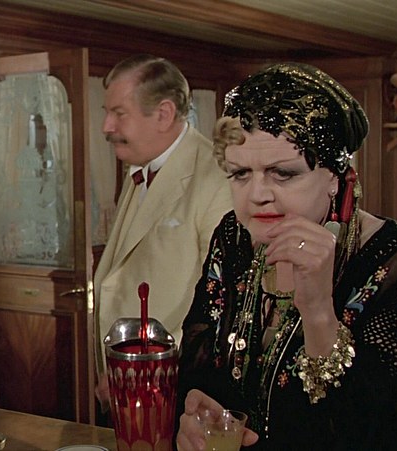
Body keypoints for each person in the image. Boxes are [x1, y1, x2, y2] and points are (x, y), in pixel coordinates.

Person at [175, 63, 397, 450]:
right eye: (240, 174)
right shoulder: (232, 235)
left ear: (335, 176)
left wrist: (318, 312)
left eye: (283, 173)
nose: (257, 195)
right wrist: (194, 412)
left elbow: (393, 436)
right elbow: (196, 364)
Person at [93, 54, 232, 406]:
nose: (106, 126)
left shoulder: (216, 178)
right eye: (107, 112)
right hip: (128, 380)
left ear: (164, 114)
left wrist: (145, 375)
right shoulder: (142, 169)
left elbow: (220, 300)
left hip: (175, 389)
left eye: (119, 113)